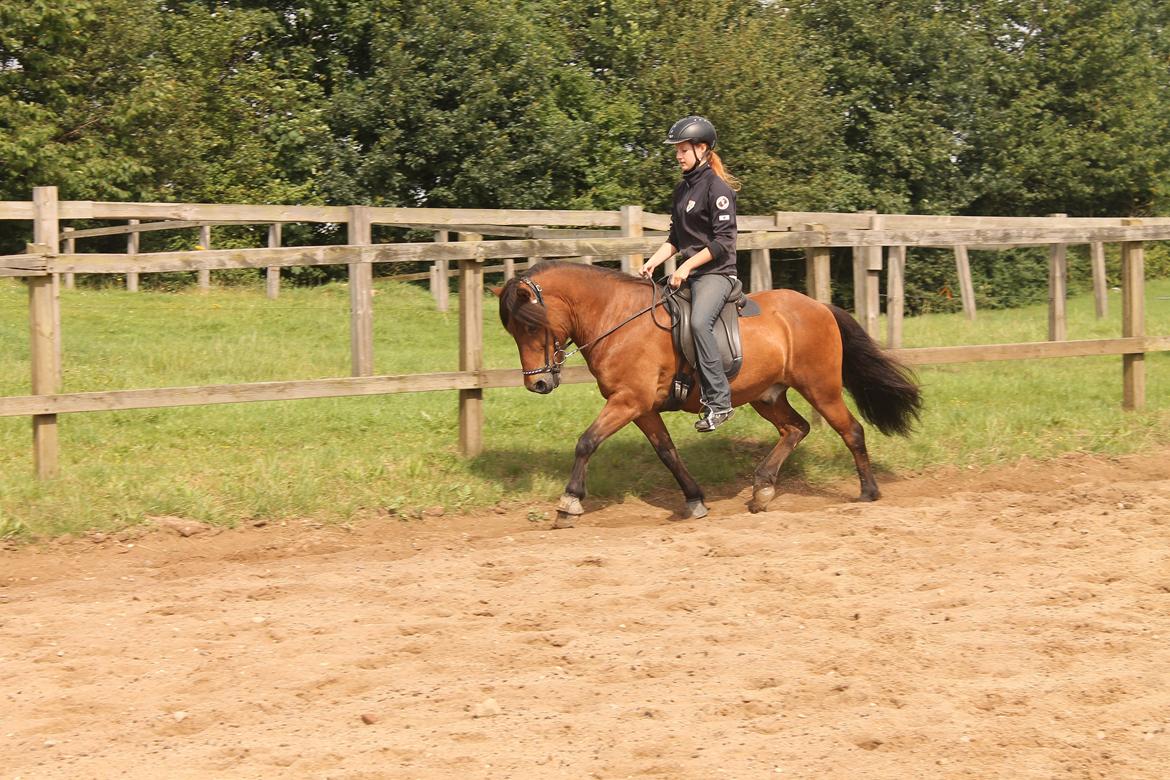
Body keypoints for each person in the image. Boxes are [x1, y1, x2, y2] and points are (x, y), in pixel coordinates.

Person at [640, 115, 740, 432]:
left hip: (716, 274)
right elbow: (675, 238)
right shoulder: (682, 189)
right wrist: (653, 262)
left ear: (702, 149)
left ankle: (720, 402)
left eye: (683, 150)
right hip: (691, 274)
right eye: (677, 151)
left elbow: (723, 242)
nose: (678, 156)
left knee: (699, 322)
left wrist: (685, 266)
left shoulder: (718, 189)